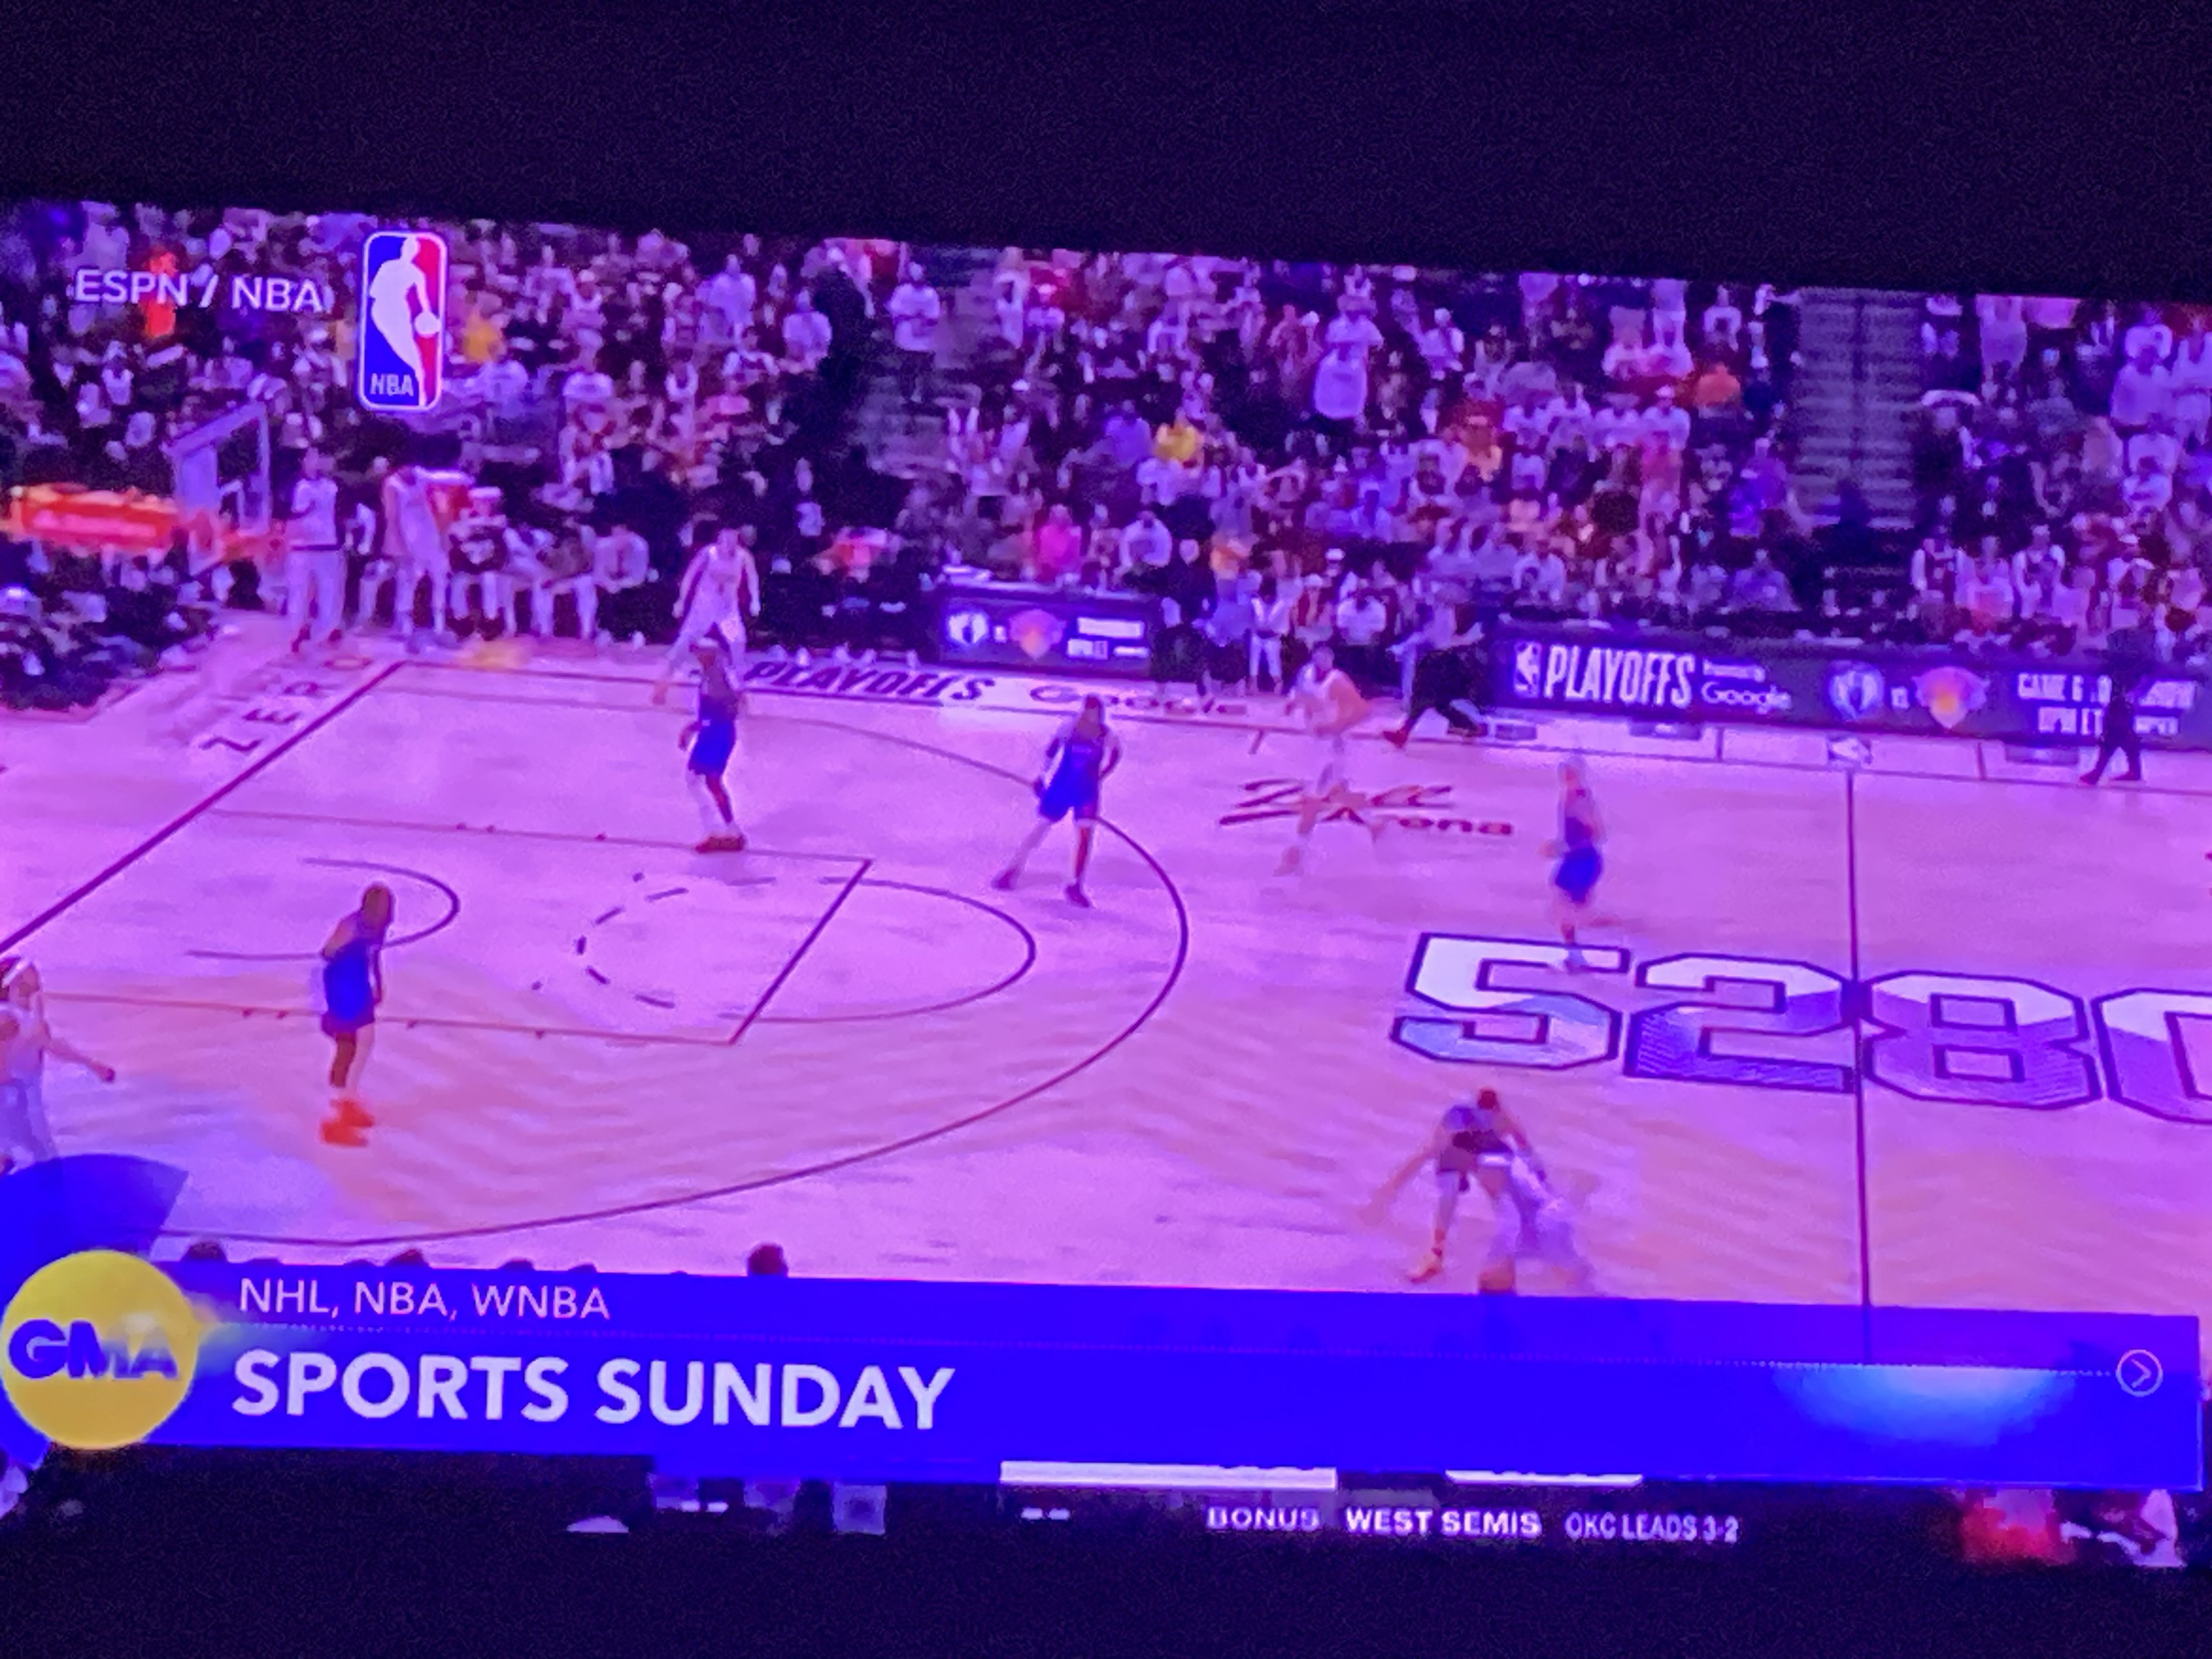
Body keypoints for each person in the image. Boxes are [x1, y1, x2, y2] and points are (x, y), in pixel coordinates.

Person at [1368, 1090, 1589, 1291]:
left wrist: (1388, 1192)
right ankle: (1436, 1256)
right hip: (1530, 1202)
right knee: (1455, 1195)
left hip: (1527, 1203)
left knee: (1515, 1218)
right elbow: (1427, 1157)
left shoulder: (1491, 1139)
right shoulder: (1465, 1141)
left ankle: (1553, 1260)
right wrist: (1389, 1190)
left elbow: (1519, 1141)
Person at [991, 694, 1122, 907]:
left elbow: (1116, 753)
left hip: (1086, 793)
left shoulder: (1106, 735)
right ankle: (1012, 869)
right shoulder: (1069, 729)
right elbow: (1052, 750)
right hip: (1062, 788)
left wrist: (1104, 774)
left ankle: (1075, 885)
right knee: (1040, 829)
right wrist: (1042, 776)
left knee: (1084, 838)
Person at [0, 958, 117, 1173]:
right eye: (27, 984)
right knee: (35, 1156)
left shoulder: (28, 1019)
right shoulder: (7, 1020)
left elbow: (49, 1044)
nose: (36, 987)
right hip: (11, 1100)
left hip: (21, 1100)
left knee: (35, 1156)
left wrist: (90, 1064)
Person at [1277, 641, 1372, 876]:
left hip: (1334, 747)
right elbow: (1300, 693)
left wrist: (1335, 727)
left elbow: (1361, 711)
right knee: (1339, 792)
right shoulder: (1306, 674)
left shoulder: (1338, 682)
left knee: (1313, 798)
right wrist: (1292, 704)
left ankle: (1296, 851)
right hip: (1315, 744)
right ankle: (1374, 824)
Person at [318, 886, 392, 1148]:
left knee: (367, 1039)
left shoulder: (379, 927)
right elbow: (327, 953)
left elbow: (375, 955)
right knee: (348, 1045)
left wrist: (378, 983)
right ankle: (335, 1119)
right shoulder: (351, 925)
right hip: (342, 985)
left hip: (359, 985)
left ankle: (348, 1098)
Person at [654, 524, 760, 704]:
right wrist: (681, 600)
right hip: (704, 605)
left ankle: (739, 686)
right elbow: (689, 575)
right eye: (723, 541)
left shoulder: (743, 556)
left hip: (727, 607)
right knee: (685, 641)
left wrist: (755, 599)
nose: (727, 545)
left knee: (738, 642)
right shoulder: (708, 553)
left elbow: (752, 577)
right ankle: (664, 681)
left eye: (731, 541)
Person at [677, 623, 747, 853]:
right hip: (713, 732)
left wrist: (696, 727)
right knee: (700, 780)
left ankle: (724, 832)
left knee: (704, 780)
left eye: (700, 652)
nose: (697, 656)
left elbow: (727, 708)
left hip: (718, 734)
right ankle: (724, 830)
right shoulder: (712, 674)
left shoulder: (718, 679)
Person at [281, 448, 346, 652]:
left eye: (318, 456)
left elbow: (341, 512)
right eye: (310, 457)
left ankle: (326, 632)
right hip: (300, 547)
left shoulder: (331, 486)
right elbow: (290, 514)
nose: (315, 461)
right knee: (298, 592)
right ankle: (297, 632)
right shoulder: (294, 486)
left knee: (329, 591)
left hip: (327, 545)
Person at [1548, 758, 1605, 970]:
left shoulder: (1577, 800)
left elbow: (1596, 832)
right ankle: (1575, 955)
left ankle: (1575, 958)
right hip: (1580, 860)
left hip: (1581, 861)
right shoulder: (1575, 797)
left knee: (1564, 911)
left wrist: (1562, 848)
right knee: (1567, 908)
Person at [2081, 661, 2145, 785]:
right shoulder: (2125, 678)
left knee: (2113, 740)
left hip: (2119, 707)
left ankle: (2097, 774)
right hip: (2121, 706)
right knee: (2125, 740)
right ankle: (2133, 771)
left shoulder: (2120, 678)